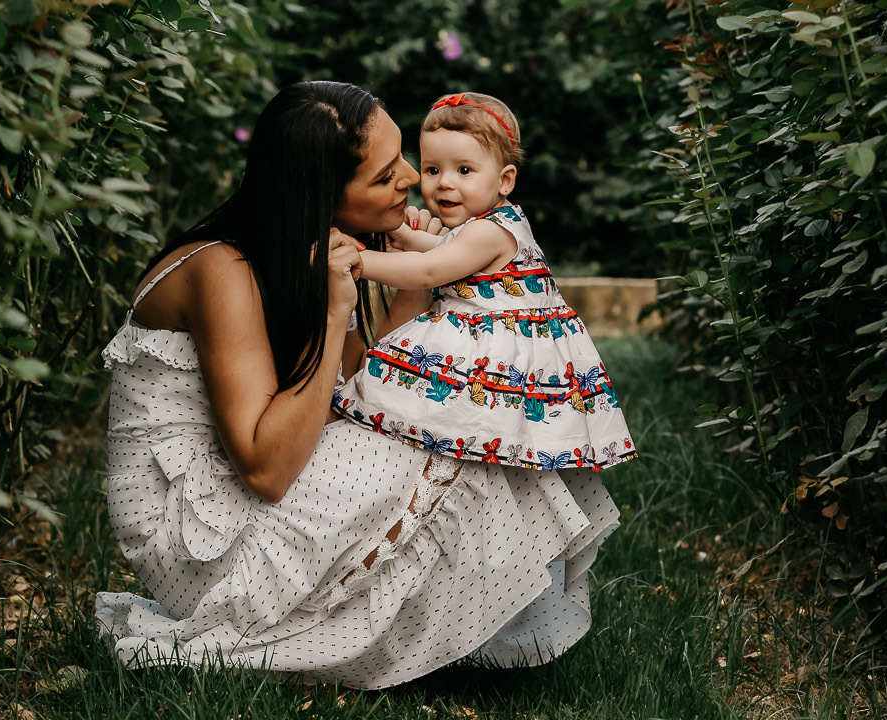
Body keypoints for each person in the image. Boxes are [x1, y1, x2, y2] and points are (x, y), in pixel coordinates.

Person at [95, 81, 620, 690]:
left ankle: (434, 633)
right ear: (323, 193)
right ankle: (390, 635)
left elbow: (356, 393)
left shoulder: (309, 248)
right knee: (461, 433)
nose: (410, 179)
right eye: (384, 175)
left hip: (255, 484)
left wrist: (419, 283)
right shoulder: (223, 269)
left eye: (402, 156)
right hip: (199, 535)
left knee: (466, 421)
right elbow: (266, 469)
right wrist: (330, 310)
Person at [334, 92, 637, 473]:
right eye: (432, 170)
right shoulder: (494, 225)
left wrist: (359, 258)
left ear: (505, 180)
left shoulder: (488, 233)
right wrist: (408, 239)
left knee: (443, 400)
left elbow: (430, 270)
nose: (444, 183)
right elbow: (448, 252)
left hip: (498, 348)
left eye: (464, 170)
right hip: (504, 341)